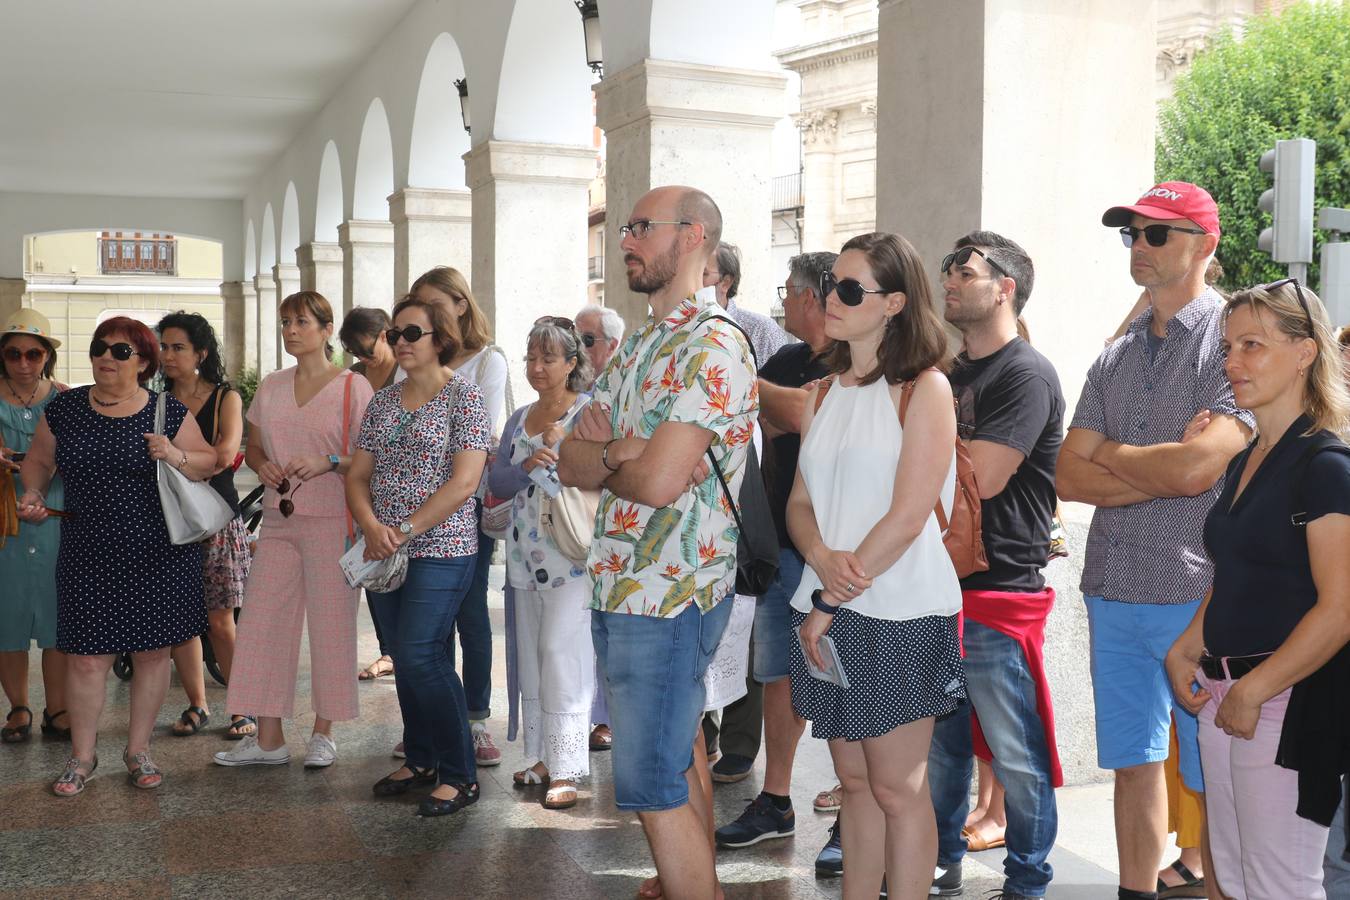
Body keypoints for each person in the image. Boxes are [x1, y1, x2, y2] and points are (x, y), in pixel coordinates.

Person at [1056, 182, 1253, 900]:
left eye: (1156, 234)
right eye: (1132, 234)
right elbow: (1067, 475)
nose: (1139, 246)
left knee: (1217, 776)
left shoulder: (1234, 342)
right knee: (1132, 767)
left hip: (1197, 592)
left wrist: (1119, 453)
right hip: (1114, 585)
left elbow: (1203, 466)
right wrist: (1169, 467)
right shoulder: (1116, 356)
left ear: (1204, 244)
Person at [558, 185, 756, 900]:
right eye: (625, 227)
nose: (626, 239)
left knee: (650, 778)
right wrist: (619, 453)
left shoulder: (713, 343)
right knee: (678, 759)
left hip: (671, 593)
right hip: (623, 582)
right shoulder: (643, 341)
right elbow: (571, 460)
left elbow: (661, 483)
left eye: (642, 226)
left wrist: (613, 458)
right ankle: (691, 882)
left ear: (693, 235)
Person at [788, 231, 965, 900]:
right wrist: (819, 559)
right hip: (824, 608)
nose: (831, 297)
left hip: (898, 610)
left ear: (894, 303)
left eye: (850, 289)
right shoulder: (822, 394)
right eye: (831, 284)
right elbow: (801, 501)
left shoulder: (925, 389)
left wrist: (833, 593)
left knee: (897, 788)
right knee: (856, 786)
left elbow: (911, 512)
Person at [1165, 279, 1350, 899]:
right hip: (1227, 690)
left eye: (1253, 345)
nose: (1232, 362)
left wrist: (1256, 689)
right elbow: (1241, 567)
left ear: (1304, 352)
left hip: (1287, 703)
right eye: (1227, 346)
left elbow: (1341, 607)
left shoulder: (1326, 466)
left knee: (1281, 885)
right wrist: (1188, 644)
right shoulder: (1247, 459)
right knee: (1237, 878)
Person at [17, 316, 217, 794]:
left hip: (159, 553)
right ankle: (82, 757)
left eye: (120, 352)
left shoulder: (165, 412)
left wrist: (174, 454)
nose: (106, 357)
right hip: (88, 551)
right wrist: (34, 494)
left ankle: (138, 750)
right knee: (86, 659)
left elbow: (209, 460)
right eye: (99, 348)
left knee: (152, 656)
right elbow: (40, 462)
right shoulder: (65, 409)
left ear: (144, 363)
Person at [925, 231, 1065, 900]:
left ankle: (1029, 879)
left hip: (997, 593)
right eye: (948, 268)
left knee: (1015, 752)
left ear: (1005, 288)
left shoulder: (1025, 372)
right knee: (942, 751)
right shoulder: (946, 376)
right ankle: (941, 859)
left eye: (967, 270)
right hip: (937, 589)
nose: (950, 278)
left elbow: (983, 478)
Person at [214, 291, 373, 770]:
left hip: (334, 521)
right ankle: (269, 739)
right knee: (262, 625)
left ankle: (324, 732)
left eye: (301, 321)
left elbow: (369, 461)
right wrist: (261, 467)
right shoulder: (272, 386)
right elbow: (255, 447)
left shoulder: (353, 389)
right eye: (285, 321)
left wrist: (328, 462)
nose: (290, 329)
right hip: (280, 520)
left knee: (332, 628)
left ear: (327, 330)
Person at [347, 293, 491, 817]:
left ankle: (460, 774)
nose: (399, 343)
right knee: (406, 660)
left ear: (441, 339)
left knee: (421, 654)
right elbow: (358, 474)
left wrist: (402, 530)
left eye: (412, 334)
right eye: (394, 334)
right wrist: (370, 525)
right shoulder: (382, 400)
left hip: (441, 546)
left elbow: (465, 481)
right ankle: (422, 757)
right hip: (382, 547)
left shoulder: (464, 398)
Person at [713, 249, 837, 848]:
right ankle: (777, 799)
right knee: (779, 673)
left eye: (789, 290)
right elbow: (774, 416)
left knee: (848, 676)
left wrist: (754, 389)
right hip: (783, 545)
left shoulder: (857, 362)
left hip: (840, 550)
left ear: (814, 296)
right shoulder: (788, 358)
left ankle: (852, 810)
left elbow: (799, 415)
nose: (782, 299)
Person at [489, 318, 594, 810]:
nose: (536, 368)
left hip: (573, 553)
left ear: (572, 363)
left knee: (560, 651)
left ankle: (570, 764)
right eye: (531, 357)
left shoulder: (589, 412)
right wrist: (525, 465)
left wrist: (558, 453)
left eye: (548, 358)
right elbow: (499, 481)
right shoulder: (521, 416)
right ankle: (543, 756)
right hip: (523, 555)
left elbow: (600, 475)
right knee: (532, 654)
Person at [409, 266, 508, 767]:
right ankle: (435, 720)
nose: (425, 316)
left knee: (469, 612)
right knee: (428, 620)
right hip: (414, 508)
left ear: (460, 305)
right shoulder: (415, 358)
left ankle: (475, 718)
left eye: (435, 305)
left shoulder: (488, 362)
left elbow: (481, 439)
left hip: (466, 504)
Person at [156, 311, 251, 740]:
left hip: (214, 518)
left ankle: (241, 706)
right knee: (179, 620)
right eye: (163, 346)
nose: (168, 355)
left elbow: (225, 454)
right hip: (167, 520)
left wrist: (178, 456)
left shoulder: (225, 397)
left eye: (178, 347)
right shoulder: (154, 401)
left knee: (220, 621)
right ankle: (197, 704)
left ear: (201, 353)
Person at [0, 310, 67, 744]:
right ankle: (18, 707)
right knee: (7, 615)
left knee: (56, 615)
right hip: (4, 521)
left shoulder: (63, 398)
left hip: (54, 515)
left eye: (33, 353)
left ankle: (58, 708)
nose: (23, 363)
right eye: (13, 353)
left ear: (46, 356)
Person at [573, 302, 624, 751]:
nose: (581, 349)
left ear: (613, 345)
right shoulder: (576, 396)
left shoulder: (621, 390)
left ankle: (606, 718)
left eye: (588, 340)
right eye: (577, 340)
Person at [339, 306, 399, 683]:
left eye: (367, 348)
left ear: (385, 334)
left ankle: (397, 650)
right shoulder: (356, 376)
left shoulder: (404, 373)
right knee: (372, 571)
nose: (364, 358)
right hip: (363, 485)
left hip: (397, 488)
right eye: (356, 353)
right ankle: (387, 649)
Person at [704, 241, 790, 365]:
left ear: (726, 282)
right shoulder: (675, 326)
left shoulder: (762, 331)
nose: (691, 280)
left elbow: (782, 381)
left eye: (702, 274)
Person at [574, 304, 624, 389]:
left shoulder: (621, 390)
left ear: (611, 347)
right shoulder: (562, 382)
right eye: (574, 337)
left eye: (587, 339)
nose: (577, 346)